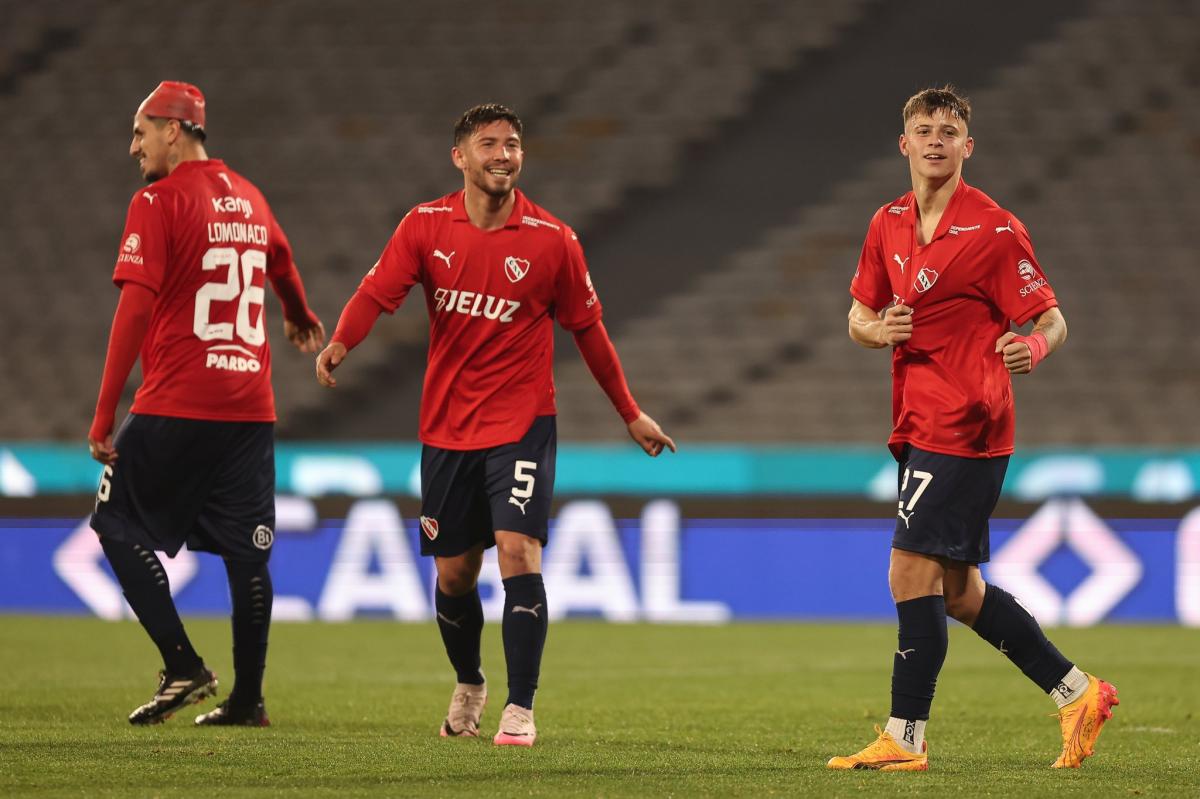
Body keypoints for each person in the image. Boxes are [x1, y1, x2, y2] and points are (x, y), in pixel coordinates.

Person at [315, 103, 675, 746]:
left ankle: (521, 706)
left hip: (522, 423)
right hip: (447, 429)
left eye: (512, 145)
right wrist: (342, 341)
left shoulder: (552, 239)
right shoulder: (425, 227)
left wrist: (630, 413)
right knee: (453, 574)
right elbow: (377, 293)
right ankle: (470, 680)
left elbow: (588, 331)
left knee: (518, 551)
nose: (503, 155)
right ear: (460, 157)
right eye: (489, 145)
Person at [827, 86, 1117, 771]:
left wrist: (1034, 348)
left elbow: (1051, 317)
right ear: (904, 144)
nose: (935, 140)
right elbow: (857, 316)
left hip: (968, 423)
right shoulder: (887, 223)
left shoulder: (994, 229)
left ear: (967, 146)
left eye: (949, 130)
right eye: (923, 129)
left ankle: (905, 736)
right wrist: (878, 331)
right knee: (957, 591)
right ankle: (1078, 693)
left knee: (907, 569)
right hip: (917, 420)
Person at [88, 81, 325, 727]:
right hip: (251, 402)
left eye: (141, 131)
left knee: (114, 524)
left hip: (180, 396)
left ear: (174, 129)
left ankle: (184, 664)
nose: (133, 146)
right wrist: (299, 315)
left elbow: (135, 305)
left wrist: (105, 411)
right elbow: (282, 259)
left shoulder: (158, 200)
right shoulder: (249, 195)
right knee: (249, 554)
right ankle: (248, 699)